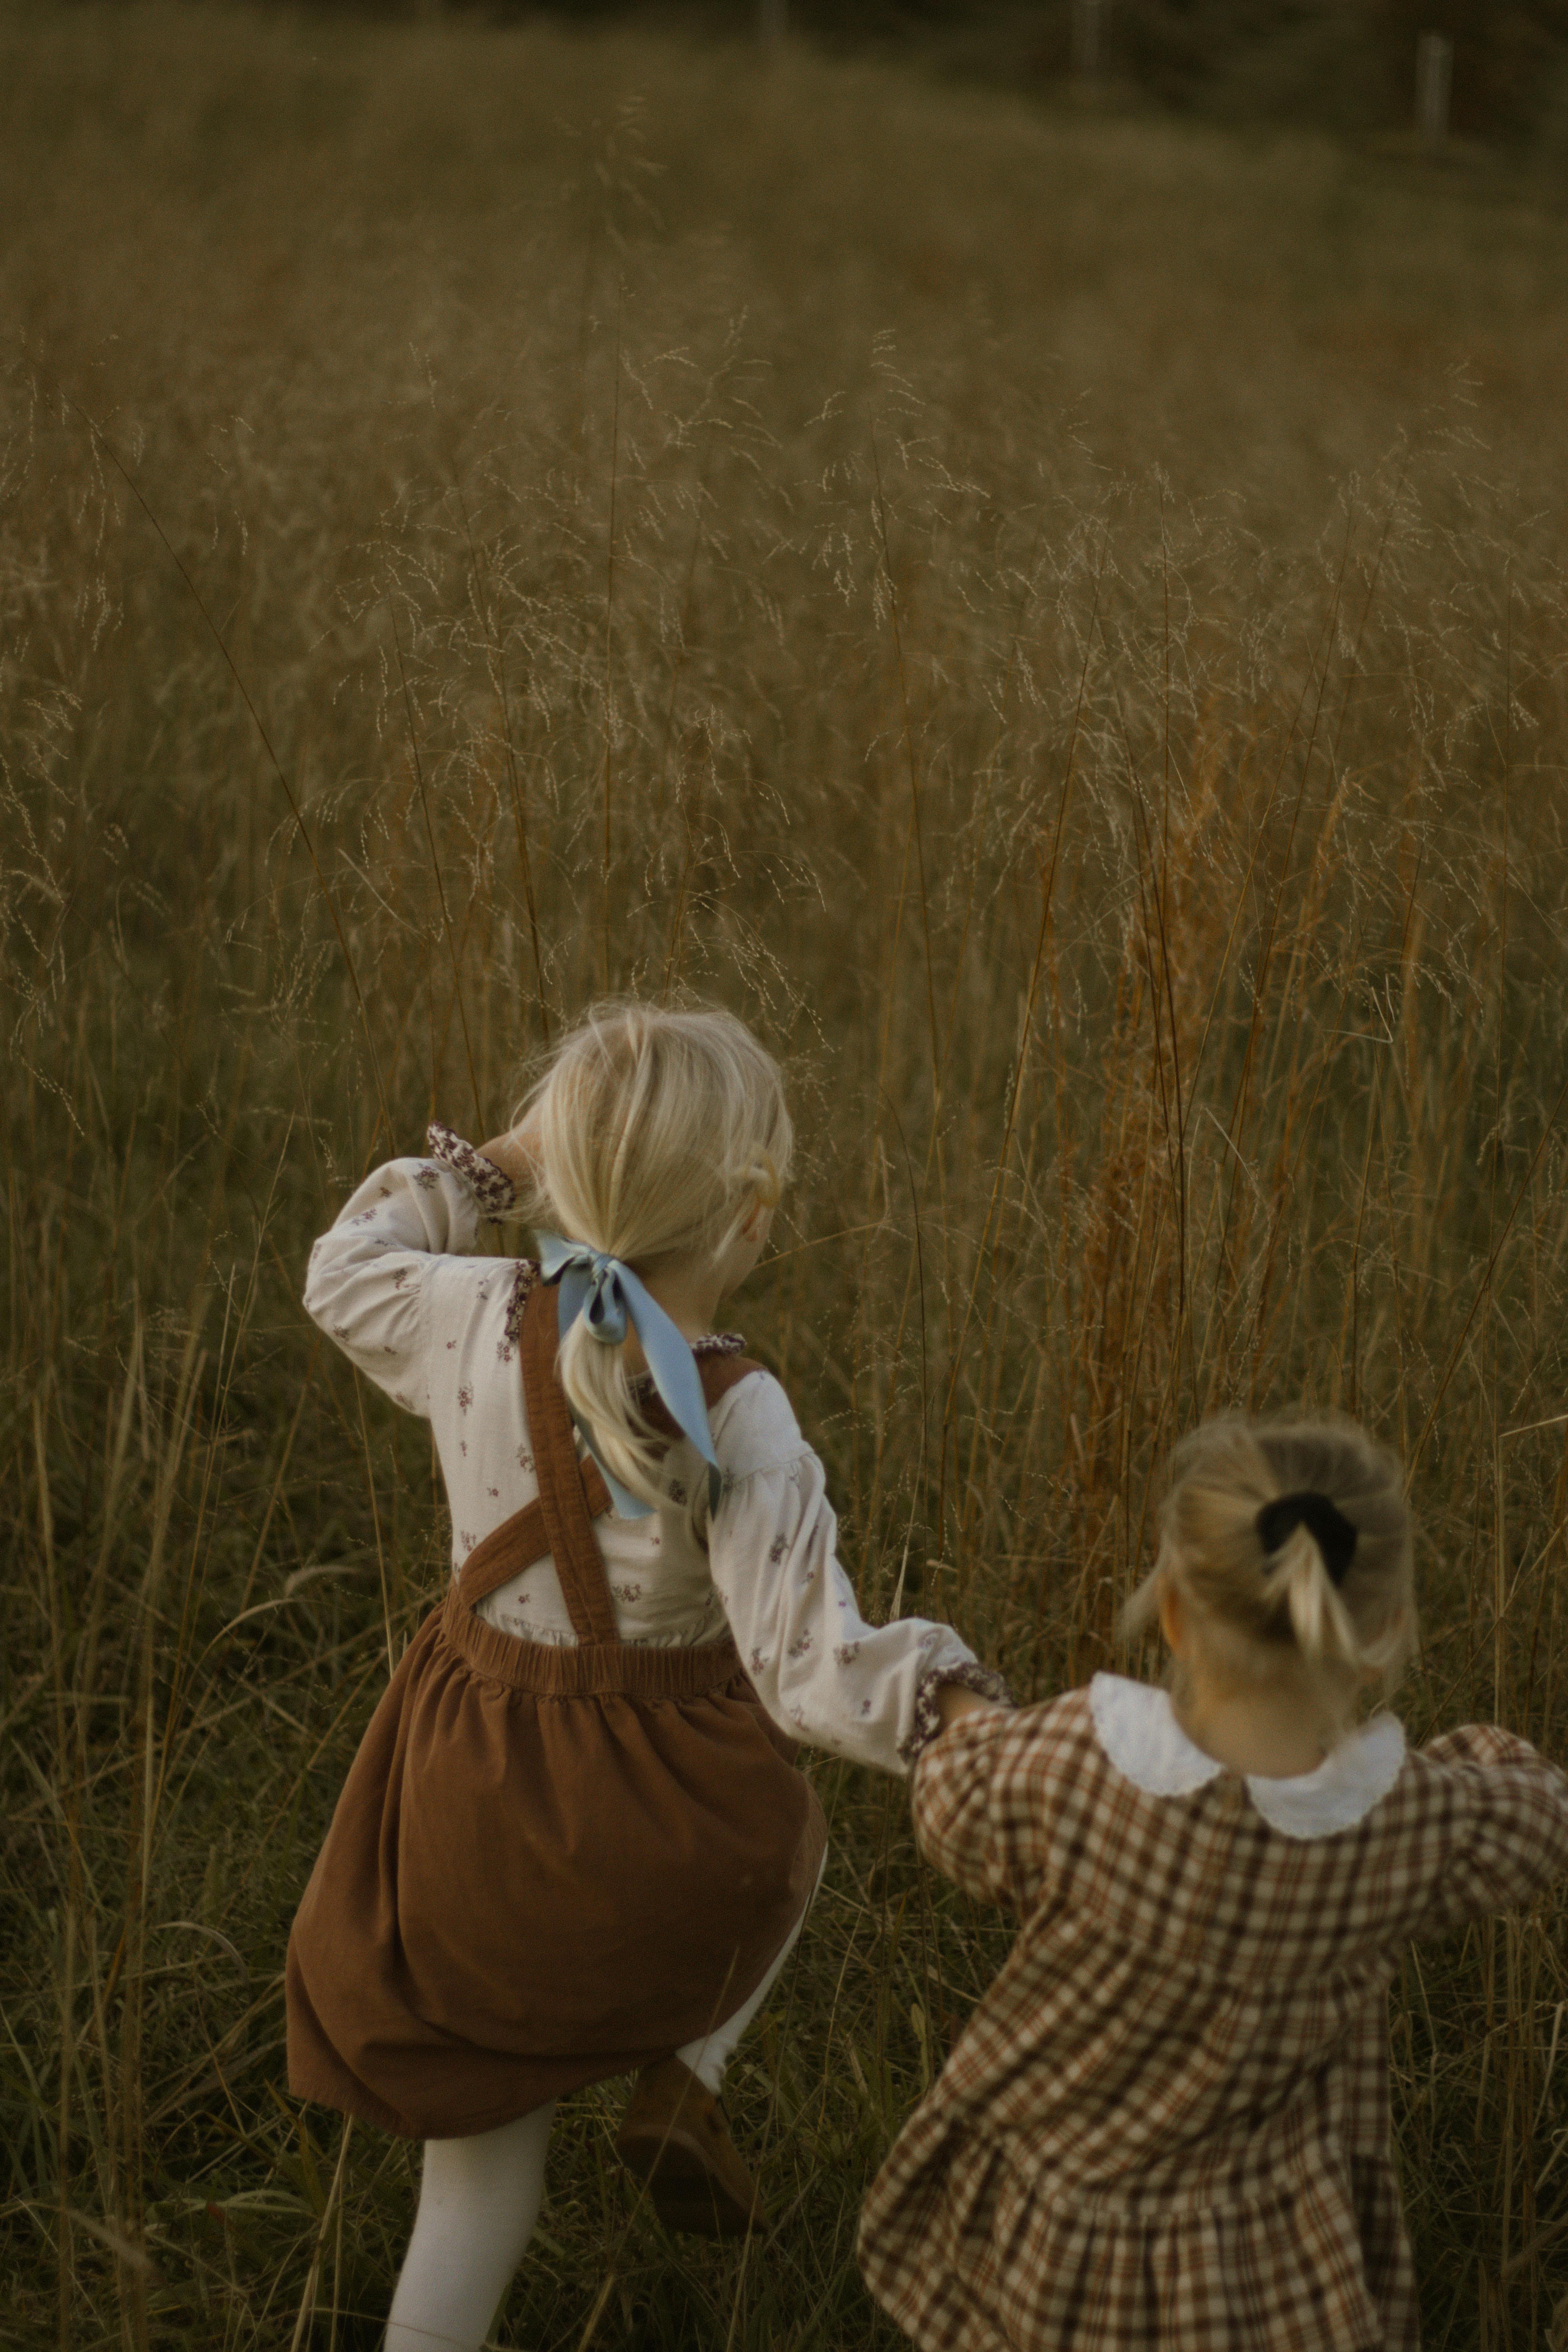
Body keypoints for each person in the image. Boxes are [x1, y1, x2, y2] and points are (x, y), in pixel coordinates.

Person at [285, 999, 1009, 2352]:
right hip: (668, 1834)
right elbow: (808, 1674)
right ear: (751, 1212)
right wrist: (957, 1703)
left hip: (473, 1812)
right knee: (785, 1840)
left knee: (476, 2189)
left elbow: (342, 1269)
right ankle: (687, 2071)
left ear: (560, 1171)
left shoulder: (463, 1317)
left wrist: (487, 1167)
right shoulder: (736, 1409)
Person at [858, 1414, 1568, 2352]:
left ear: (1178, 1616)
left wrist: (956, 1699)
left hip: (1065, 2234)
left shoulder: (1072, 1762)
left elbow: (953, 1801)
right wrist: (1470, 1762)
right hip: (1266, 2260)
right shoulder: (1410, 1821)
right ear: (1384, 1632)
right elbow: (1538, 1818)